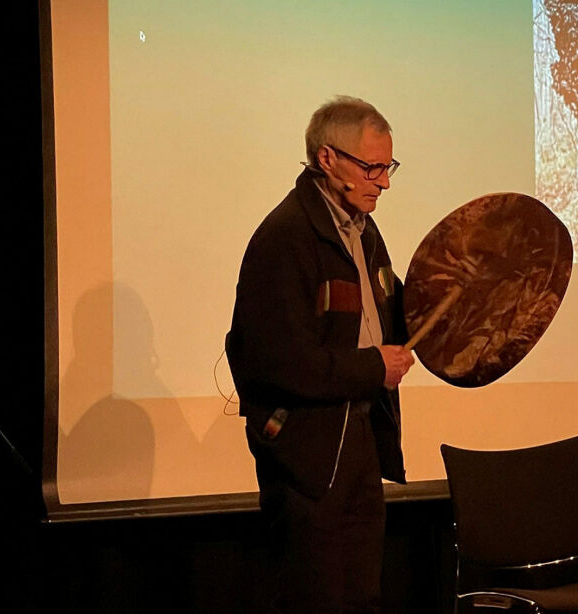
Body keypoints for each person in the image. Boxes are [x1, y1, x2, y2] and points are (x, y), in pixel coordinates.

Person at [226, 96, 415, 613]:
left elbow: (390, 311)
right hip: (306, 453)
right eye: (372, 166)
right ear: (327, 159)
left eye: (388, 166)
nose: (384, 181)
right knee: (318, 598)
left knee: (361, 596)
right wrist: (376, 366)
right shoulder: (286, 238)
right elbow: (281, 361)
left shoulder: (363, 230)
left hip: (358, 438)